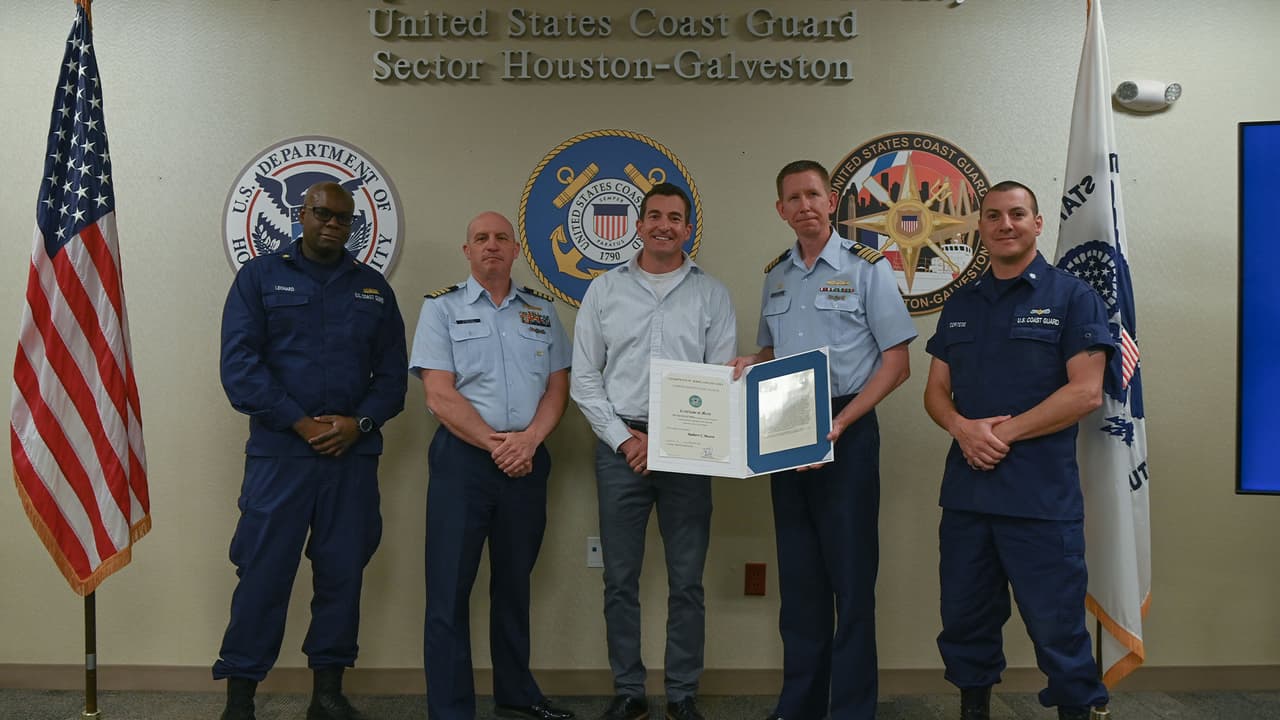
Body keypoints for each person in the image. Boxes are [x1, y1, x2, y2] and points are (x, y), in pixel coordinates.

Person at [214, 181, 408, 720]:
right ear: (302, 214)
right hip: (281, 458)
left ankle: (327, 693)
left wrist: (359, 423)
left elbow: (392, 379)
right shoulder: (259, 278)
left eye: (344, 219)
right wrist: (299, 424)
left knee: (343, 574)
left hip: (351, 457)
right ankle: (241, 698)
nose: (333, 225)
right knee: (262, 575)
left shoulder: (372, 289)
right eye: (323, 214)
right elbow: (240, 369)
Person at [730, 160, 917, 720]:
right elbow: (771, 353)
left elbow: (898, 363)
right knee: (800, 579)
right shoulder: (776, 276)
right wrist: (748, 362)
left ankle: (852, 710)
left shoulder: (867, 269)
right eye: (793, 197)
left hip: (846, 427)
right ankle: (801, 705)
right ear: (781, 209)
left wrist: (842, 422)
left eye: (813, 194)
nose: (805, 205)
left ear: (831, 201)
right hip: (786, 425)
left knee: (852, 582)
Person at [922, 181, 1114, 720]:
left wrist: (998, 434)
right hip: (967, 498)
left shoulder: (1073, 296)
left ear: (1036, 224)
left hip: (1039, 502)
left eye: (1016, 214)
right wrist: (961, 427)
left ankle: (1078, 709)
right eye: (993, 216)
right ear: (980, 228)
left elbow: (1085, 391)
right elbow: (936, 391)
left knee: (1057, 629)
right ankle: (973, 708)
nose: (1005, 224)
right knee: (964, 622)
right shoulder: (960, 302)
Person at [571, 183, 737, 720]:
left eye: (675, 217)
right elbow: (584, 379)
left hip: (690, 449)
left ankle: (683, 693)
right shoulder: (603, 291)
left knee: (687, 580)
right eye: (654, 216)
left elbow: (719, 382)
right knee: (620, 578)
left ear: (688, 229)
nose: (664, 225)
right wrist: (626, 439)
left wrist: (666, 441)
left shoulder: (712, 294)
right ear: (638, 225)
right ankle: (629, 690)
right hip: (620, 448)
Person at [410, 211, 575, 720]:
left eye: (502, 237)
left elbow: (557, 388)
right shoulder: (441, 309)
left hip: (527, 461)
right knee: (448, 589)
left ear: (516, 250)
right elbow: (438, 394)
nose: (492, 245)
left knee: (514, 583)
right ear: (467, 251)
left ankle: (516, 693)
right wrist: (497, 444)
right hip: (464, 462)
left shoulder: (542, 313)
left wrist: (528, 442)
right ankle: (452, 709)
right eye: (481, 238)